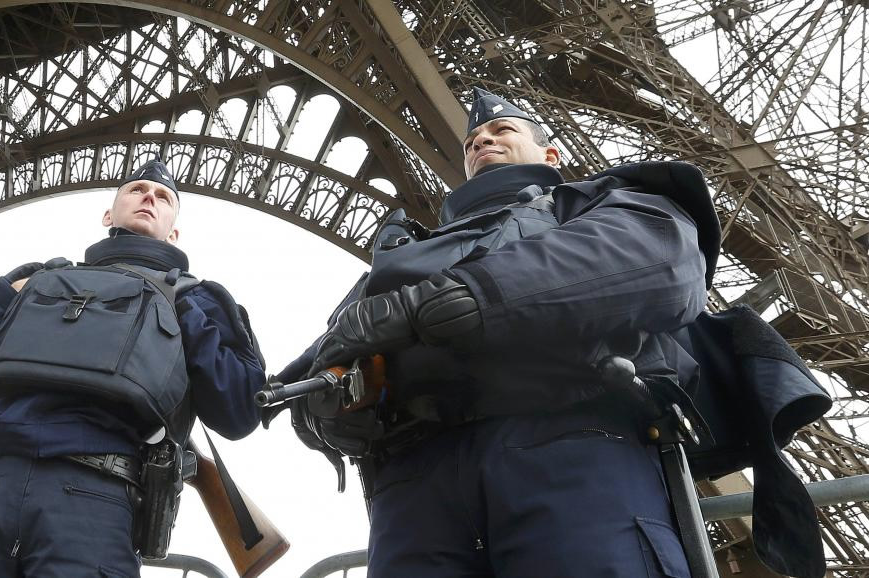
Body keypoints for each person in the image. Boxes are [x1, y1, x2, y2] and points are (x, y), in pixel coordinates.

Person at [280, 88, 722, 577]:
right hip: (413, 482)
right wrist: (325, 414)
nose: (481, 141)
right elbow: (329, 356)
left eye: (501, 130)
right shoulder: (402, 254)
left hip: (570, 443)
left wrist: (453, 298)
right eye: (471, 141)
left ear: (550, 154)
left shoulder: (586, 202)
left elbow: (661, 261)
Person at [0, 160, 267, 577]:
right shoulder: (36, 279)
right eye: (137, 189)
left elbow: (239, 411)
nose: (149, 198)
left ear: (174, 232)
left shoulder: (195, 299)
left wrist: (186, 310)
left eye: (163, 198)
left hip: (89, 495)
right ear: (108, 214)